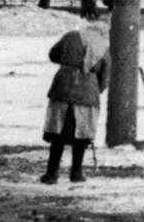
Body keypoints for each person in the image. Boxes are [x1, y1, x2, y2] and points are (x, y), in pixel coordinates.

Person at [41, 25, 108, 184]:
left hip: (62, 88)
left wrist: (67, 63)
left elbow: (53, 54)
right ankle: (76, 173)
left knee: (58, 133)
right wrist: (94, 89)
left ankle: (51, 174)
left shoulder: (70, 36)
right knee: (82, 135)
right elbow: (105, 77)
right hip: (87, 94)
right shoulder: (103, 46)